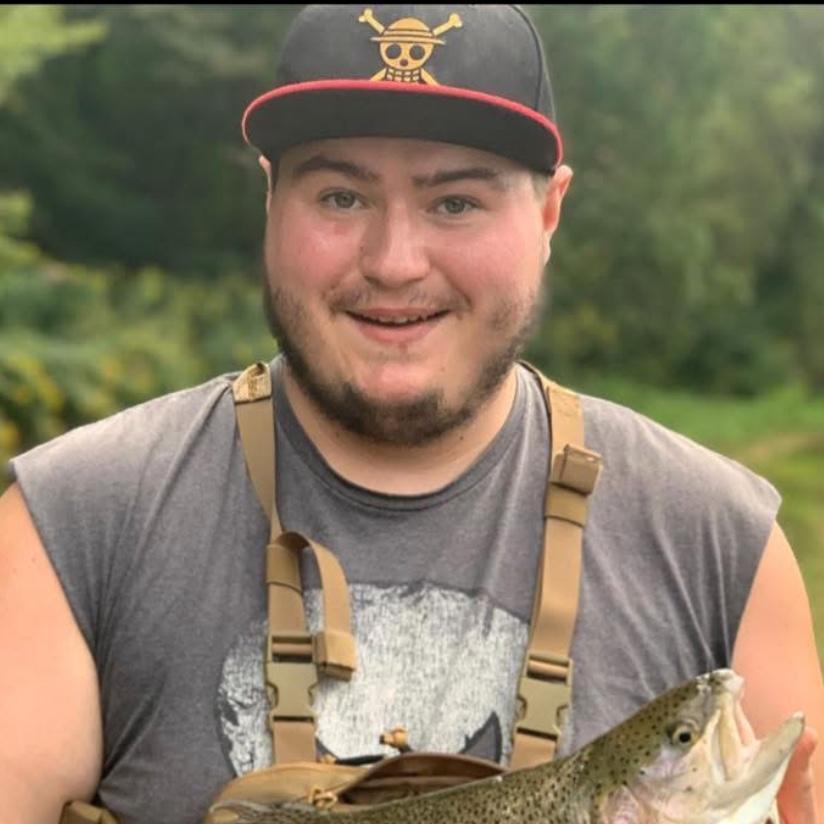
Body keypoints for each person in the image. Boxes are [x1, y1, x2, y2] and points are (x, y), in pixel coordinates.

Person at [1, 5, 821, 823]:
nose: (394, 263)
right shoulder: (73, 527)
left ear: (549, 214)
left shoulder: (720, 544)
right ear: (270, 199)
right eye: (340, 196)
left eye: (455, 203)